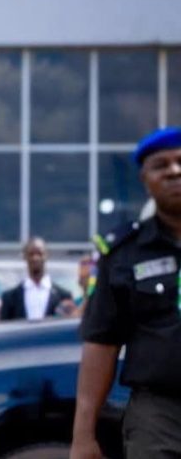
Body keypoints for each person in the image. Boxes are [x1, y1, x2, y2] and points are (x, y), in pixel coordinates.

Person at [71, 126, 181, 459]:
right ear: (145, 180)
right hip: (159, 416)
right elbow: (101, 343)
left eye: (180, 162)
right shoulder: (123, 253)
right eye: (160, 165)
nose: (174, 171)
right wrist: (83, 435)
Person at [0, 237, 72, 321]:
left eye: (39, 253)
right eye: (31, 254)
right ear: (25, 257)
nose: (35, 258)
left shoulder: (63, 296)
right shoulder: (10, 298)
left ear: (46, 255)